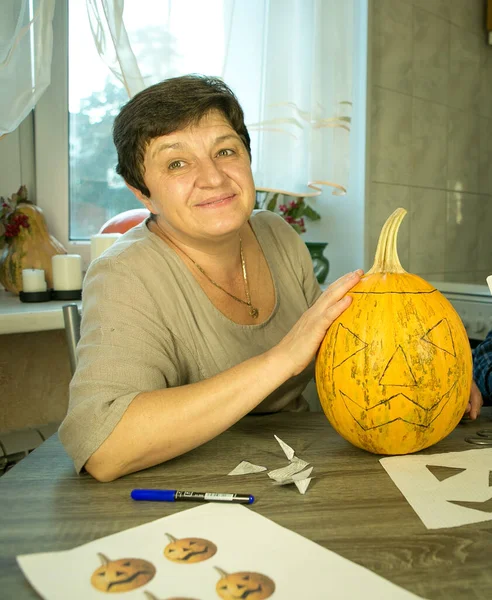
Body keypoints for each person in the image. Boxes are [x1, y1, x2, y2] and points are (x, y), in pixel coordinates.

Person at [59, 74, 363, 481]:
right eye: (177, 163)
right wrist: (281, 359)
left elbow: (337, 350)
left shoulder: (277, 233)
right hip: (197, 488)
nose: (215, 178)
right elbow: (102, 447)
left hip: (302, 468)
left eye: (225, 151)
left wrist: (431, 377)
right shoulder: (124, 273)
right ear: (142, 192)